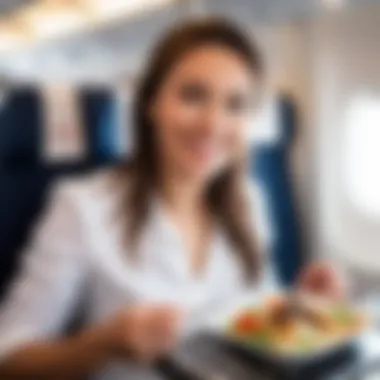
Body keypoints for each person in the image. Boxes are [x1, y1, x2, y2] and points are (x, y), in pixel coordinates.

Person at [0, 19, 346, 380]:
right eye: (193, 95)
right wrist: (102, 343)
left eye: (235, 105)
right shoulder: (82, 207)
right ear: (152, 104)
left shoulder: (249, 199)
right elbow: (8, 358)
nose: (213, 124)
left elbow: (260, 312)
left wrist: (300, 305)